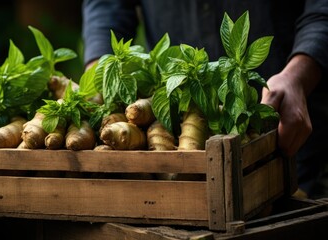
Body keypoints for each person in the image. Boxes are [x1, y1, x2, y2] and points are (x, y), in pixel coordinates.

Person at [81, 0, 328, 199]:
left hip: (291, 129)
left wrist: (299, 74)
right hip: (172, 123)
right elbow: (107, 5)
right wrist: (102, 73)